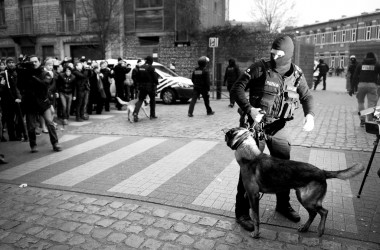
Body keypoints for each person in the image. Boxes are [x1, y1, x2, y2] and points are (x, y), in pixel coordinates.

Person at [230, 35, 315, 232]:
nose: (275, 56)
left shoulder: (297, 74)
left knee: (283, 168)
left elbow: (307, 96)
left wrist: (310, 115)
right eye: (273, 52)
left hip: (279, 128)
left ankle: (283, 205)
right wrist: (249, 109)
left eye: (280, 53)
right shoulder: (259, 68)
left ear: (289, 54)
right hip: (255, 126)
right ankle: (241, 211)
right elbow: (237, 88)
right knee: (249, 169)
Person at [21, 55, 62, 152]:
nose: (34, 63)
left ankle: (55, 143)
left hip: (43, 102)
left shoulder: (44, 73)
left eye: (35, 61)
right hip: (30, 103)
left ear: (39, 62)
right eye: (31, 62)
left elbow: (44, 84)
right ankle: (33, 145)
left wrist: (33, 76)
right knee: (31, 127)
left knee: (50, 123)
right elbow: (20, 85)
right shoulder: (25, 74)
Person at [352, 52, 380, 127]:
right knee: (371, 104)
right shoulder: (377, 64)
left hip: (361, 85)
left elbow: (354, 76)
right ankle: (370, 121)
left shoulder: (360, 64)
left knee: (360, 103)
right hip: (372, 85)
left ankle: (362, 120)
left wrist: (352, 88)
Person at [133, 56, 158, 122]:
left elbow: (137, 77)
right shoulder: (151, 68)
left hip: (142, 87)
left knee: (140, 100)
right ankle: (152, 115)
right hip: (150, 87)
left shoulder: (140, 67)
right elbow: (155, 78)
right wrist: (156, 83)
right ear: (151, 61)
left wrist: (138, 85)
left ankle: (135, 113)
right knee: (152, 100)